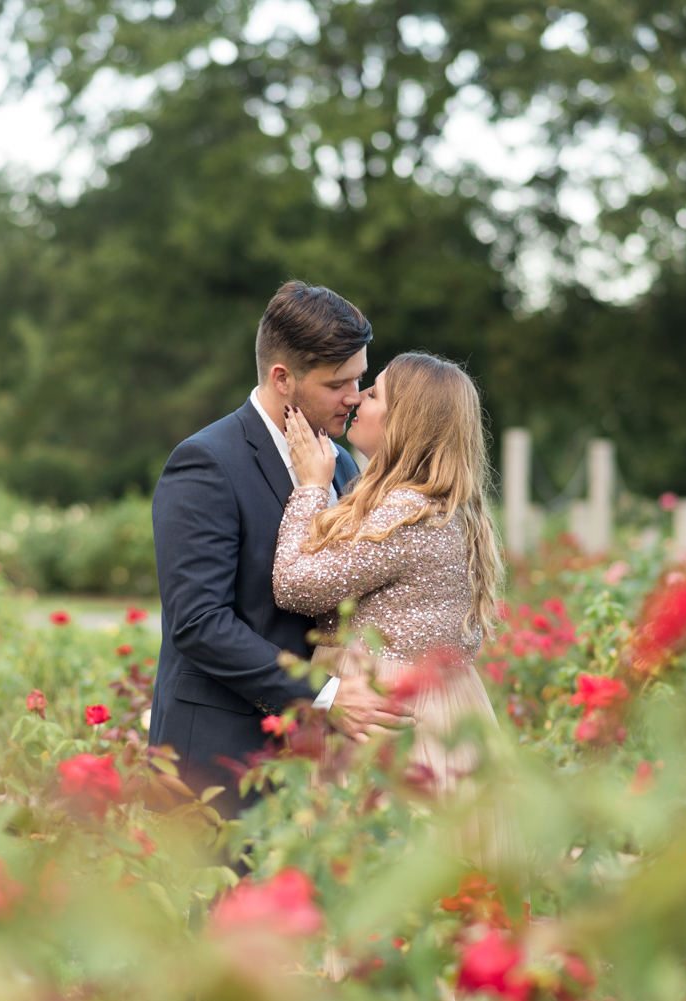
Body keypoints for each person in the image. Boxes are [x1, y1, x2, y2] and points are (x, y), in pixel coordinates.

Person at [149, 281, 414, 818]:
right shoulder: (205, 462)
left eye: (361, 378)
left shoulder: (341, 464)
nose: (356, 396)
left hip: (317, 766)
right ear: (282, 378)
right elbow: (199, 621)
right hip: (221, 754)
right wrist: (324, 696)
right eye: (339, 382)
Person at [273, 352, 507, 812]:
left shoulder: (405, 513)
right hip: (433, 712)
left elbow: (294, 586)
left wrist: (310, 489)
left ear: (406, 421)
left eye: (375, 392)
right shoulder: (439, 505)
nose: (358, 398)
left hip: (385, 724)